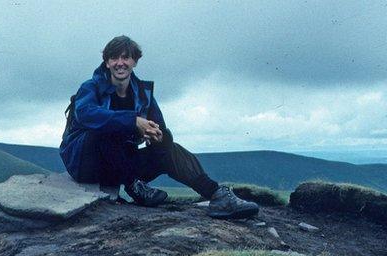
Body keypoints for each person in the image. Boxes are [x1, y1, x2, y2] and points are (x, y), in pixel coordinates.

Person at [60, 35, 258, 219]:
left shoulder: (143, 93)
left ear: (135, 61)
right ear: (107, 62)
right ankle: (134, 186)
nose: (120, 63)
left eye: (126, 58)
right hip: (87, 162)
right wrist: (133, 121)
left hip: (120, 164)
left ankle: (217, 195)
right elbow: (85, 114)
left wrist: (157, 136)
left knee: (168, 145)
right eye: (114, 58)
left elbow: (160, 128)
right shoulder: (91, 87)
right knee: (103, 130)